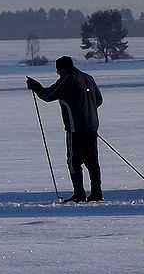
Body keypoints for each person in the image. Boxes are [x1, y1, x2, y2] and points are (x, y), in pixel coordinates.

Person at [26, 55, 104, 202]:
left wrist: (35, 86)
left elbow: (47, 95)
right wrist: (87, 113)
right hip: (92, 127)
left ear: (62, 69)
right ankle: (97, 193)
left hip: (76, 129)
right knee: (92, 161)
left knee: (73, 162)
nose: (58, 74)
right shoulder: (88, 77)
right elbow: (99, 100)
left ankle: (79, 194)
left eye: (58, 71)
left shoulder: (68, 80)